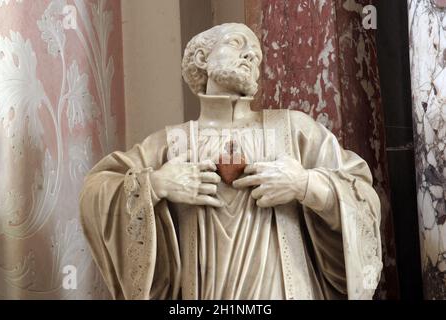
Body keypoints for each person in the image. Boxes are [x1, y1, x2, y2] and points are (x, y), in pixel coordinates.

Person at [79, 23, 383, 300]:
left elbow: (362, 196)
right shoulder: (171, 143)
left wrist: (305, 184)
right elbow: (97, 189)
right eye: (238, 43)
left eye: (257, 55)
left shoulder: (295, 130)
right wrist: (156, 184)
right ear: (201, 58)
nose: (251, 55)